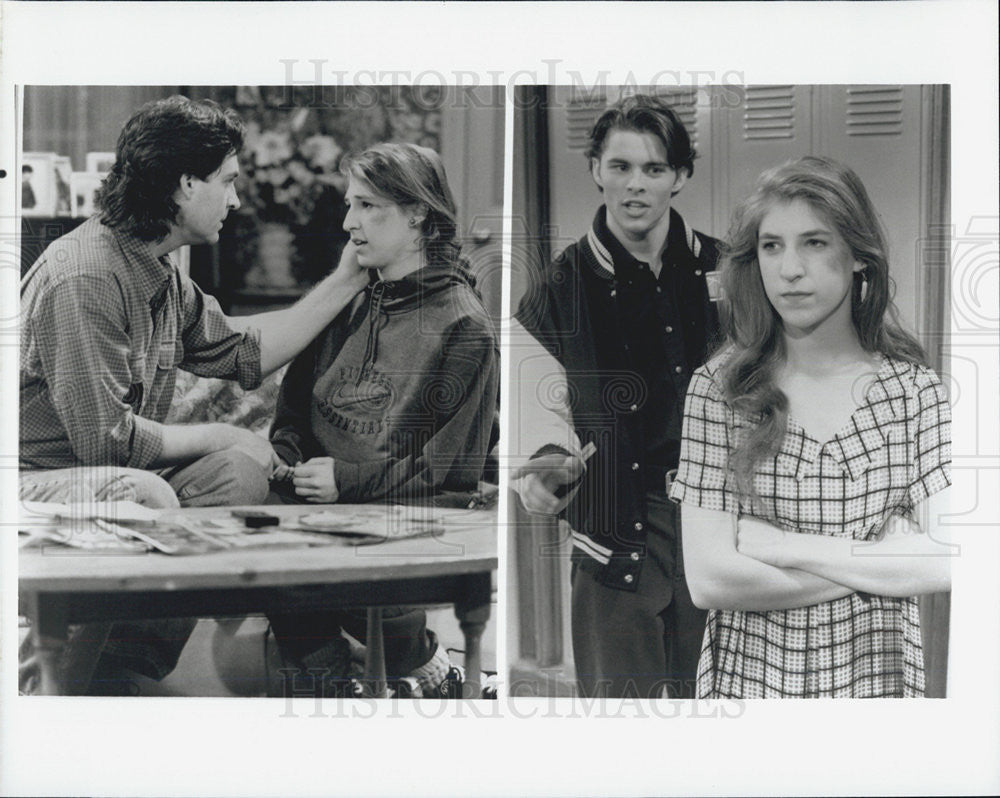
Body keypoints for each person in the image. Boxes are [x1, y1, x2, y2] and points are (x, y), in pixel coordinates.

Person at [19, 96, 368, 694]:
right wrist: (223, 431)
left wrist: (345, 281)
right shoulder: (86, 276)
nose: (235, 200)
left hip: (96, 471)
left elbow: (242, 352)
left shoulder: (157, 272)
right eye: (227, 181)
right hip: (34, 480)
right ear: (185, 184)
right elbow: (106, 444)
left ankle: (122, 665)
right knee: (143, 489)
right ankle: (48, 689)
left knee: (234, 476)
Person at [669, 156, 951, 698]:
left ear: (858, 258)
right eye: (772, 246)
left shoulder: (914, 390)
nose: (789, 268)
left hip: (878, 684)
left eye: (814, 242)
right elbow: (709, 580)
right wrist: (883, 557)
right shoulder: (718, 389)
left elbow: (948, 561)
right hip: (751, 687)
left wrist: (775, 546)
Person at [266, 142, 500, 697]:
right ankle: (345, 686)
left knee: (300, 563)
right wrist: (289, 455)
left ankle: (414, 670)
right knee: (260, 536)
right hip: (315, 506)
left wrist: (346, 481)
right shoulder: (352, 298)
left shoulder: (464, 328)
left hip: (400, 517)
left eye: (369, 206)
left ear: (417, 213)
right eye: (350, 205)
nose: (350, 223)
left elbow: (449, 471)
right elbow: (293, 406)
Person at [514, 94, 721, 698]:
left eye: (654, 169)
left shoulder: (729, 271)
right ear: (595, 170)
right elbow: (538, 417)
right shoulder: (557, 287)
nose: (636, 186)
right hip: (613, 534)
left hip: (719, 527)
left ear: (680, 177)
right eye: (621, 167)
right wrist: (544, 469)